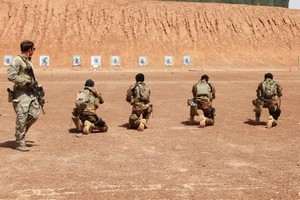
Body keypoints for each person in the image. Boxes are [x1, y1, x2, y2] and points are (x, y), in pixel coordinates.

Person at [7, 40, 43, 151]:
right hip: (21, 93)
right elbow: (11, 76)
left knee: (34, 114)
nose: (34, 51)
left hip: (31, 93)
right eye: (33, 49)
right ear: (29, 49)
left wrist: (38, 87)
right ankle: (19, 142)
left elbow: (32, 78)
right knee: (22, 117)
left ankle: (19, 134)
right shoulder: (17, 60)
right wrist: (25, 82)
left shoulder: (28, 61)